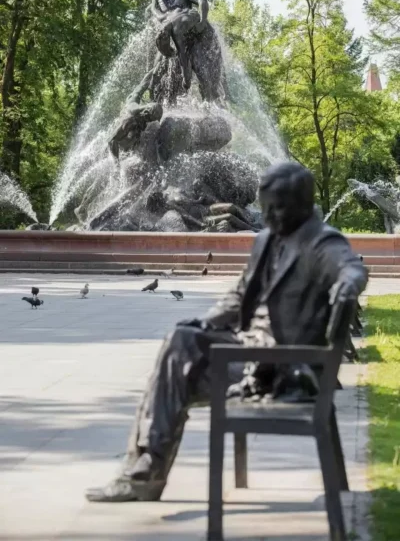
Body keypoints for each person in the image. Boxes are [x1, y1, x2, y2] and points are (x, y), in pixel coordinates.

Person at [85, 161, 368, 503]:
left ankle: (146, 469)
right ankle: (144, 463)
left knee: (177, 366)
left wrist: (349, 286)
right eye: (266, 208)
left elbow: (350, 268)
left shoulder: (322, 242)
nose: (269, 216)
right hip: (248, 352)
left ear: (303, 205)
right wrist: (206, 323)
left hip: (285, 368)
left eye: (277, 208)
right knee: (180, 342)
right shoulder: (266, 239)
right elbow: (238, 299)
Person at [145, 0, 209, 91]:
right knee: (158, 61)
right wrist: (162, 16)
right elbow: (154, 10)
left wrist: (203, 21)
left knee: (177, 28)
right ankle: (154, 90)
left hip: (191, 27)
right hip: (174, 34)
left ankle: (188, 75)